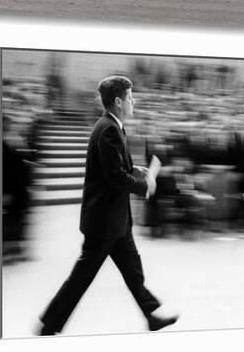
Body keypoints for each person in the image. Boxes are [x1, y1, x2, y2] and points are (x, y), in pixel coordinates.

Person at [37, 75, 179, 335]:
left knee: (133, 270)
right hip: (104, 223)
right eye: (130, 98)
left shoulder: (112, 126)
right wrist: (144, 185)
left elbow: (113, 166)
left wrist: (134, 168)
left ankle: (150, 314)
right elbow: (114, 177)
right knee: (82, 277)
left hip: (115, 221)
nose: (133, 102)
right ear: (118, 101)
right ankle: (49, 323)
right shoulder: (108, 129)